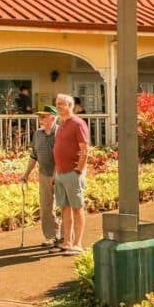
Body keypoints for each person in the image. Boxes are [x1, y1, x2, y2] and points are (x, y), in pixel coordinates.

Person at [53, 94, 90, 256]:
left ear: (70, 105)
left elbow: (85, 150)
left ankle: (78, 243)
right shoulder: (61, 124)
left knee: (77, 207)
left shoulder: (78, 123)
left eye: (61, 104)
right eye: (57, 104)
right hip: (60, 173)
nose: (58, 107)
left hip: (73, 173)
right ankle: (67, 241)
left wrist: (78, 171)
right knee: (65, 208)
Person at [21, 105, 61, 247]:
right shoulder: (37, 134)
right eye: (39, 116)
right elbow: (34, 156)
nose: (40, 119)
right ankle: (52, 236)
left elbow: (61, 156)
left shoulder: (60, 132)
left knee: (65, 207)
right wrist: (26, 174)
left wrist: (57, 175)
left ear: (53, 117)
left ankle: (67, 238)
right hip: (44, 174)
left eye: (43, 116)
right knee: (46, 207)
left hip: (61, 174)